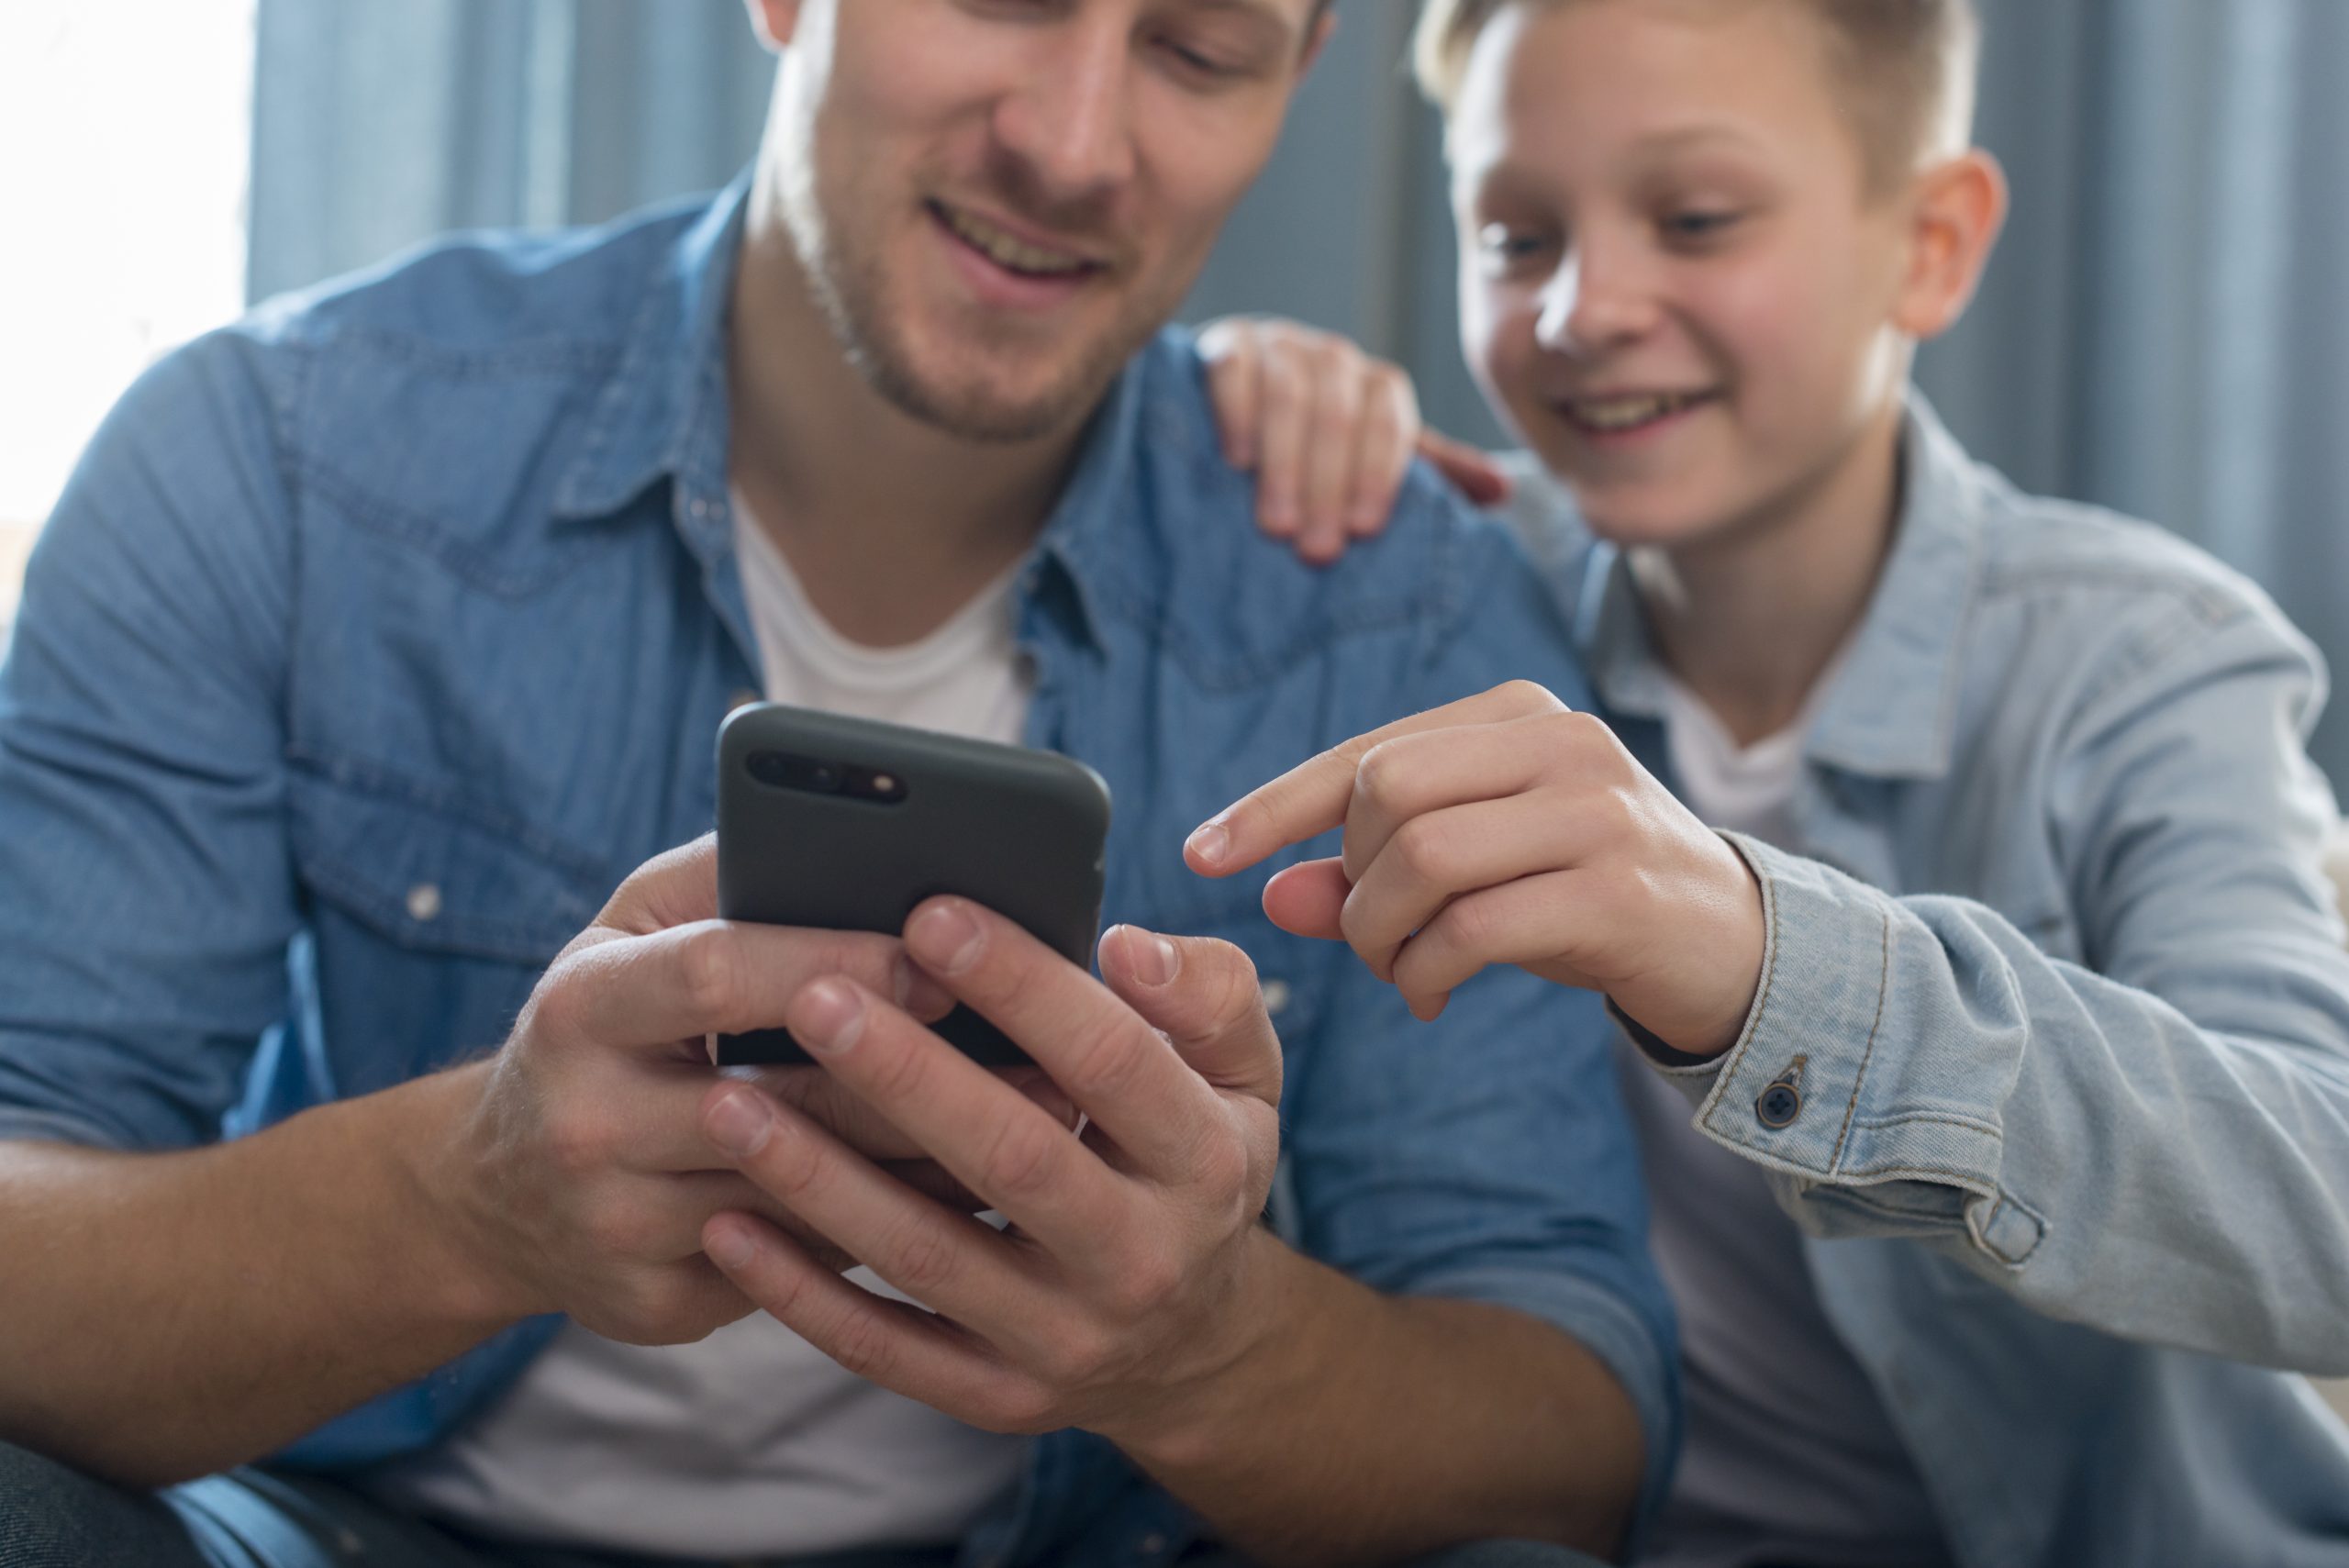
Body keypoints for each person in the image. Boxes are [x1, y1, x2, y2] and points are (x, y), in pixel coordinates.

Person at [0, 4, 1681, 1566]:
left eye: (1198, 47)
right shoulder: (279, 454)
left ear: (1291, 84)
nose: (1080, 142)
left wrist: (1204, 1351)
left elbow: (1574, 1426)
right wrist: (470, 1197)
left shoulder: (1395, 601)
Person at [1190, 0, 2349, 1563]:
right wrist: (1248, 389)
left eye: (1697, 220)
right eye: (1517, 237)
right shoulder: (1446, 595)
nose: (1583, 309)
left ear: (1930, 242)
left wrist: (1766, 962)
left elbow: (2323, 1193)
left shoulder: (2143, 665)